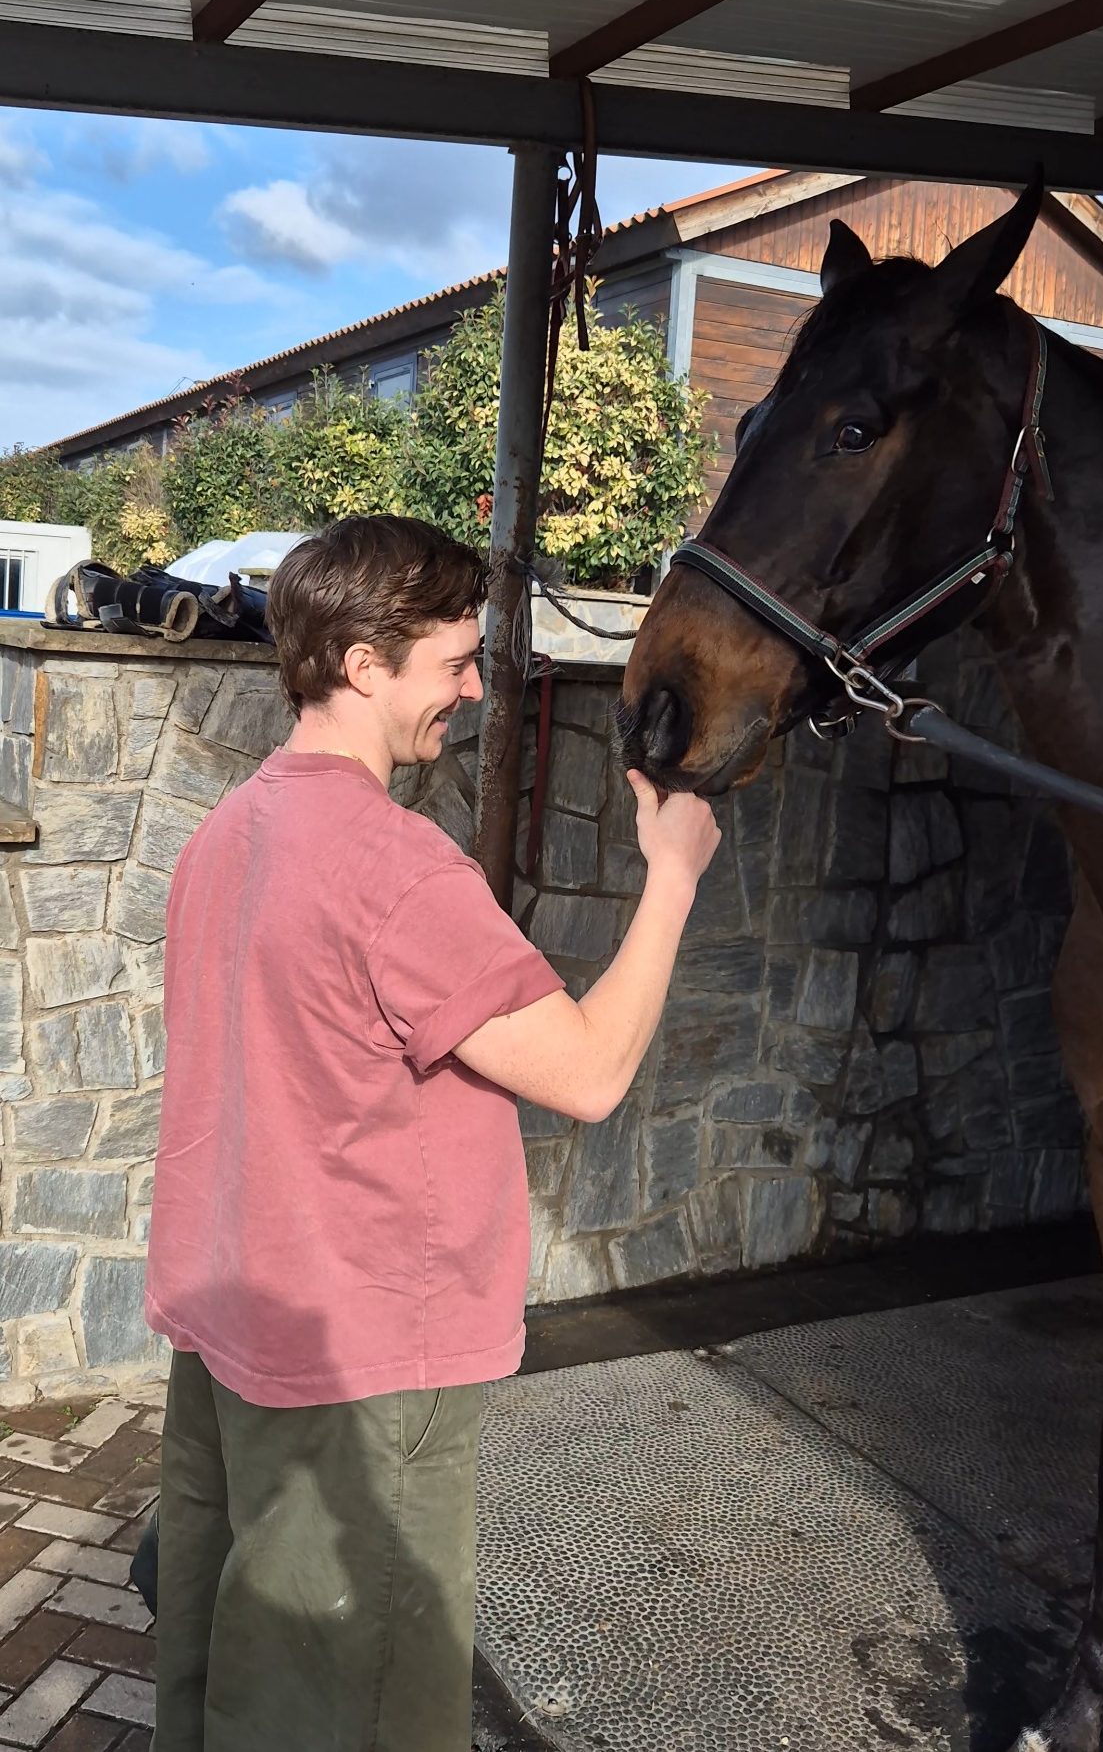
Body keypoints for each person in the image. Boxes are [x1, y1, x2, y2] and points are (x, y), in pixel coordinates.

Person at [145, 513, 719, 1752]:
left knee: (209, 1654)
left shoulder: (223, 835)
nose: (471, 687)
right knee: (347, 1702)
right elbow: (589, 1072)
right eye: (456, 662)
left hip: (232, 1331)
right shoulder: (396, 869)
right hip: (363, 1364)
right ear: (362, 663)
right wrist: (671, 874)